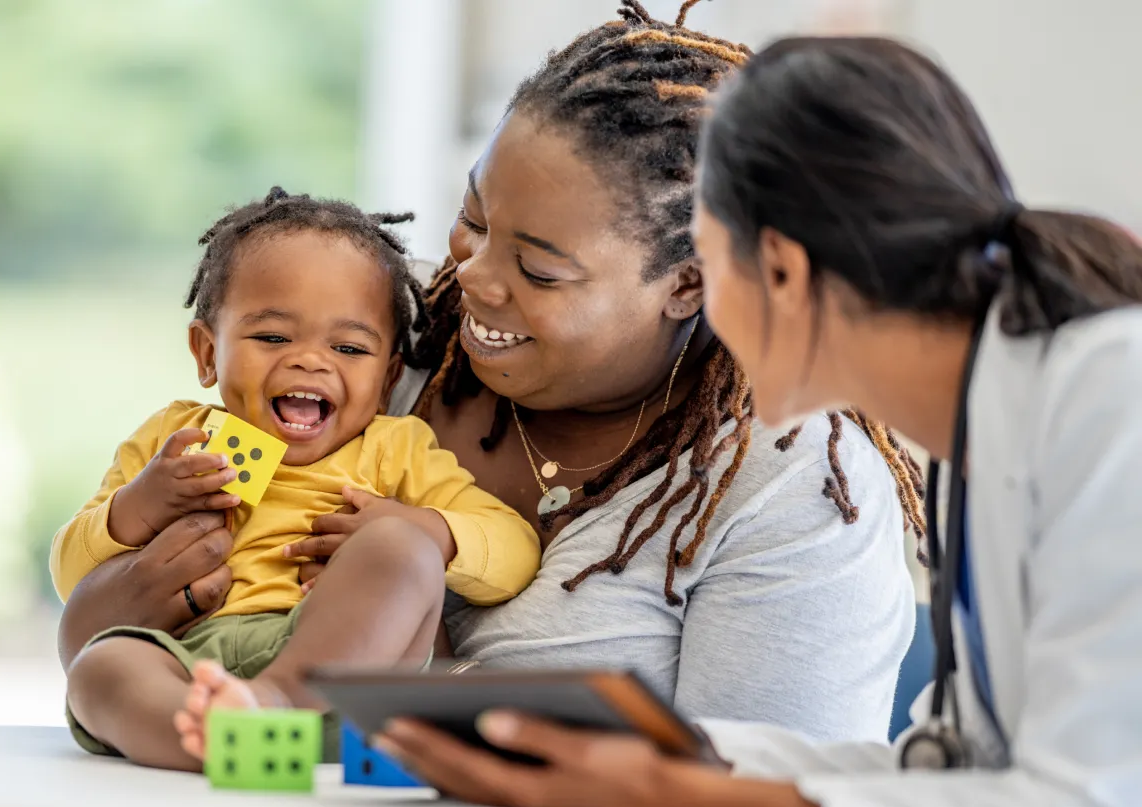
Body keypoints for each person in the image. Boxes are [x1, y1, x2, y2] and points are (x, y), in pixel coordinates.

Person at [59, 3, 925, 750]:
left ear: (687, 284)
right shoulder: (376, 351)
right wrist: (130, 585)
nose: (470, 275)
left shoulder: (791, 488)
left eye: (540, 270)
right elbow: (95, 640)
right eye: (473, 217)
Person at [376, 35, 1142, 807]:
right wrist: (673, 762)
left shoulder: (1108, 401)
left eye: (701, 263)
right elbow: (954, 773)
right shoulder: (987, 427)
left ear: (776, 270)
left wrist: (676, 795)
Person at [56, 188, 539, 770]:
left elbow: (514, 553)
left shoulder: (392, 448)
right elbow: (71, 574)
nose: (312, 361)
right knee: (100, 668)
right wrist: (141, 505)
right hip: (189, 668)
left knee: (401, 549)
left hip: (340, 675)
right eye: (273, 338)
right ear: (208, 353)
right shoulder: (177, 438)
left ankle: (272, 705)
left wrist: (426, 530)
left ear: (386, 381)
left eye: (348, 346)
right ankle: (220, 741)